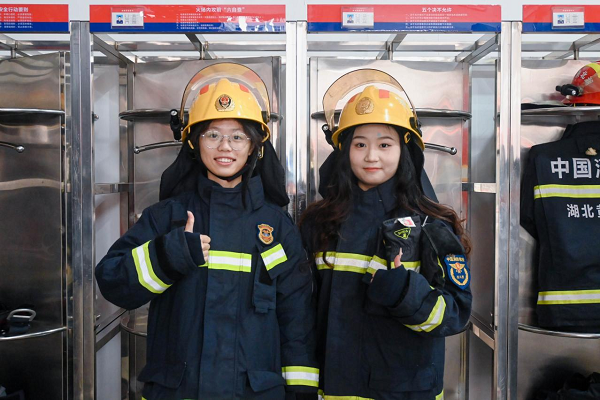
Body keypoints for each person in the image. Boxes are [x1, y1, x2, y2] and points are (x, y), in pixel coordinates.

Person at [96, 63, 318, 399]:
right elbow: (111, 281)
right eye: (212, 135)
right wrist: (167, 256)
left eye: (238, 136)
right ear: (194, 144)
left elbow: (297, 319)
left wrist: (301, 391)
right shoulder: (166, 217)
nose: (225, 146)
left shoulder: (277, 227)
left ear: (255, 146)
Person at [299, 69, 472, 400]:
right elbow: (301, 309)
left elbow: (455, 316)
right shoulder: (319, 223)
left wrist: (406, 293)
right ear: (344, 151)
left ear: (404, 150)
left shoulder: (431, 225)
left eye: (384, 144)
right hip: (333, 390)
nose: (371, 156)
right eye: (360, 144)